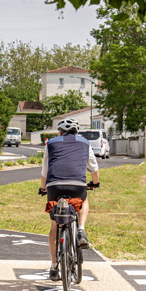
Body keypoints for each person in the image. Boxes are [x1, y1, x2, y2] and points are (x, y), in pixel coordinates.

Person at [38, 118, 100, 281]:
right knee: (83, 201)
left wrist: (43, 189)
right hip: (77, 185)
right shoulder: (85, 143)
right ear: (76, 132)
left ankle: (53, 266)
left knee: (54, 226)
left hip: (54, 185)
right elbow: (93, 167)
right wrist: (95, 182)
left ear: (60, 132)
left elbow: (45, 170)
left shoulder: (50, 144)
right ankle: (80, 229)